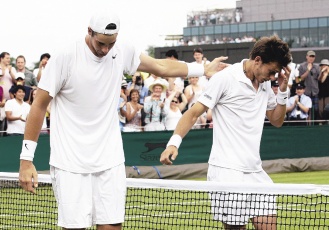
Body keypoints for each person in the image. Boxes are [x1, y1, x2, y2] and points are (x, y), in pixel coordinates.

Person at [18, 11, 228, 230]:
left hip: (110, 159)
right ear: (89, 32)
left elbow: (161, 66)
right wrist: (26, 160)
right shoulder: (64, 57)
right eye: (101, 43)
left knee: (112, 226)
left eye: (111, 43)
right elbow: (39, 106)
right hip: (69, 162)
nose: (106, 50)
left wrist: (203, 69)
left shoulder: (122, 50)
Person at [161, 35, 291, 230]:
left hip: (255, 171)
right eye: (271, 71)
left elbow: (276, 120)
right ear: (257, 60)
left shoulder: (265, 83)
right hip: (227, 171)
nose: (273, 77)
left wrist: (282, 91)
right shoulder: (224, 79)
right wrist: (173, 143)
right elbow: (193, 113)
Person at [298, 50, 320, 121]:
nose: (311, 58)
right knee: (306, 110)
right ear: (307, 56)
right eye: (310, 56)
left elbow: (319, 78)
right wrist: (308, 70)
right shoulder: (302, 66)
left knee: (315, 109)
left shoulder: (317, 67)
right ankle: (307, 125)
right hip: (305, 92)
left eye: (313, 56)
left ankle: (314, 124)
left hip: (315, 91)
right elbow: (299, 79)